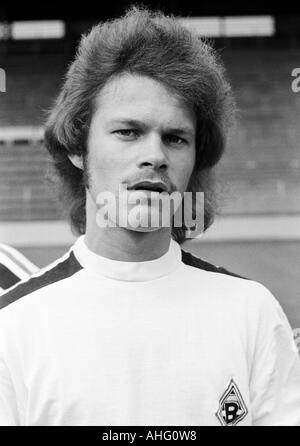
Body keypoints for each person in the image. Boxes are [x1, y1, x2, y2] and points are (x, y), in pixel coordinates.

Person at [0, 6, 300, 426]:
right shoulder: (13, 326)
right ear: (76, 146)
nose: (155, 156)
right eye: (128, 132)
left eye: (176, 138)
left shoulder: (251, 313)